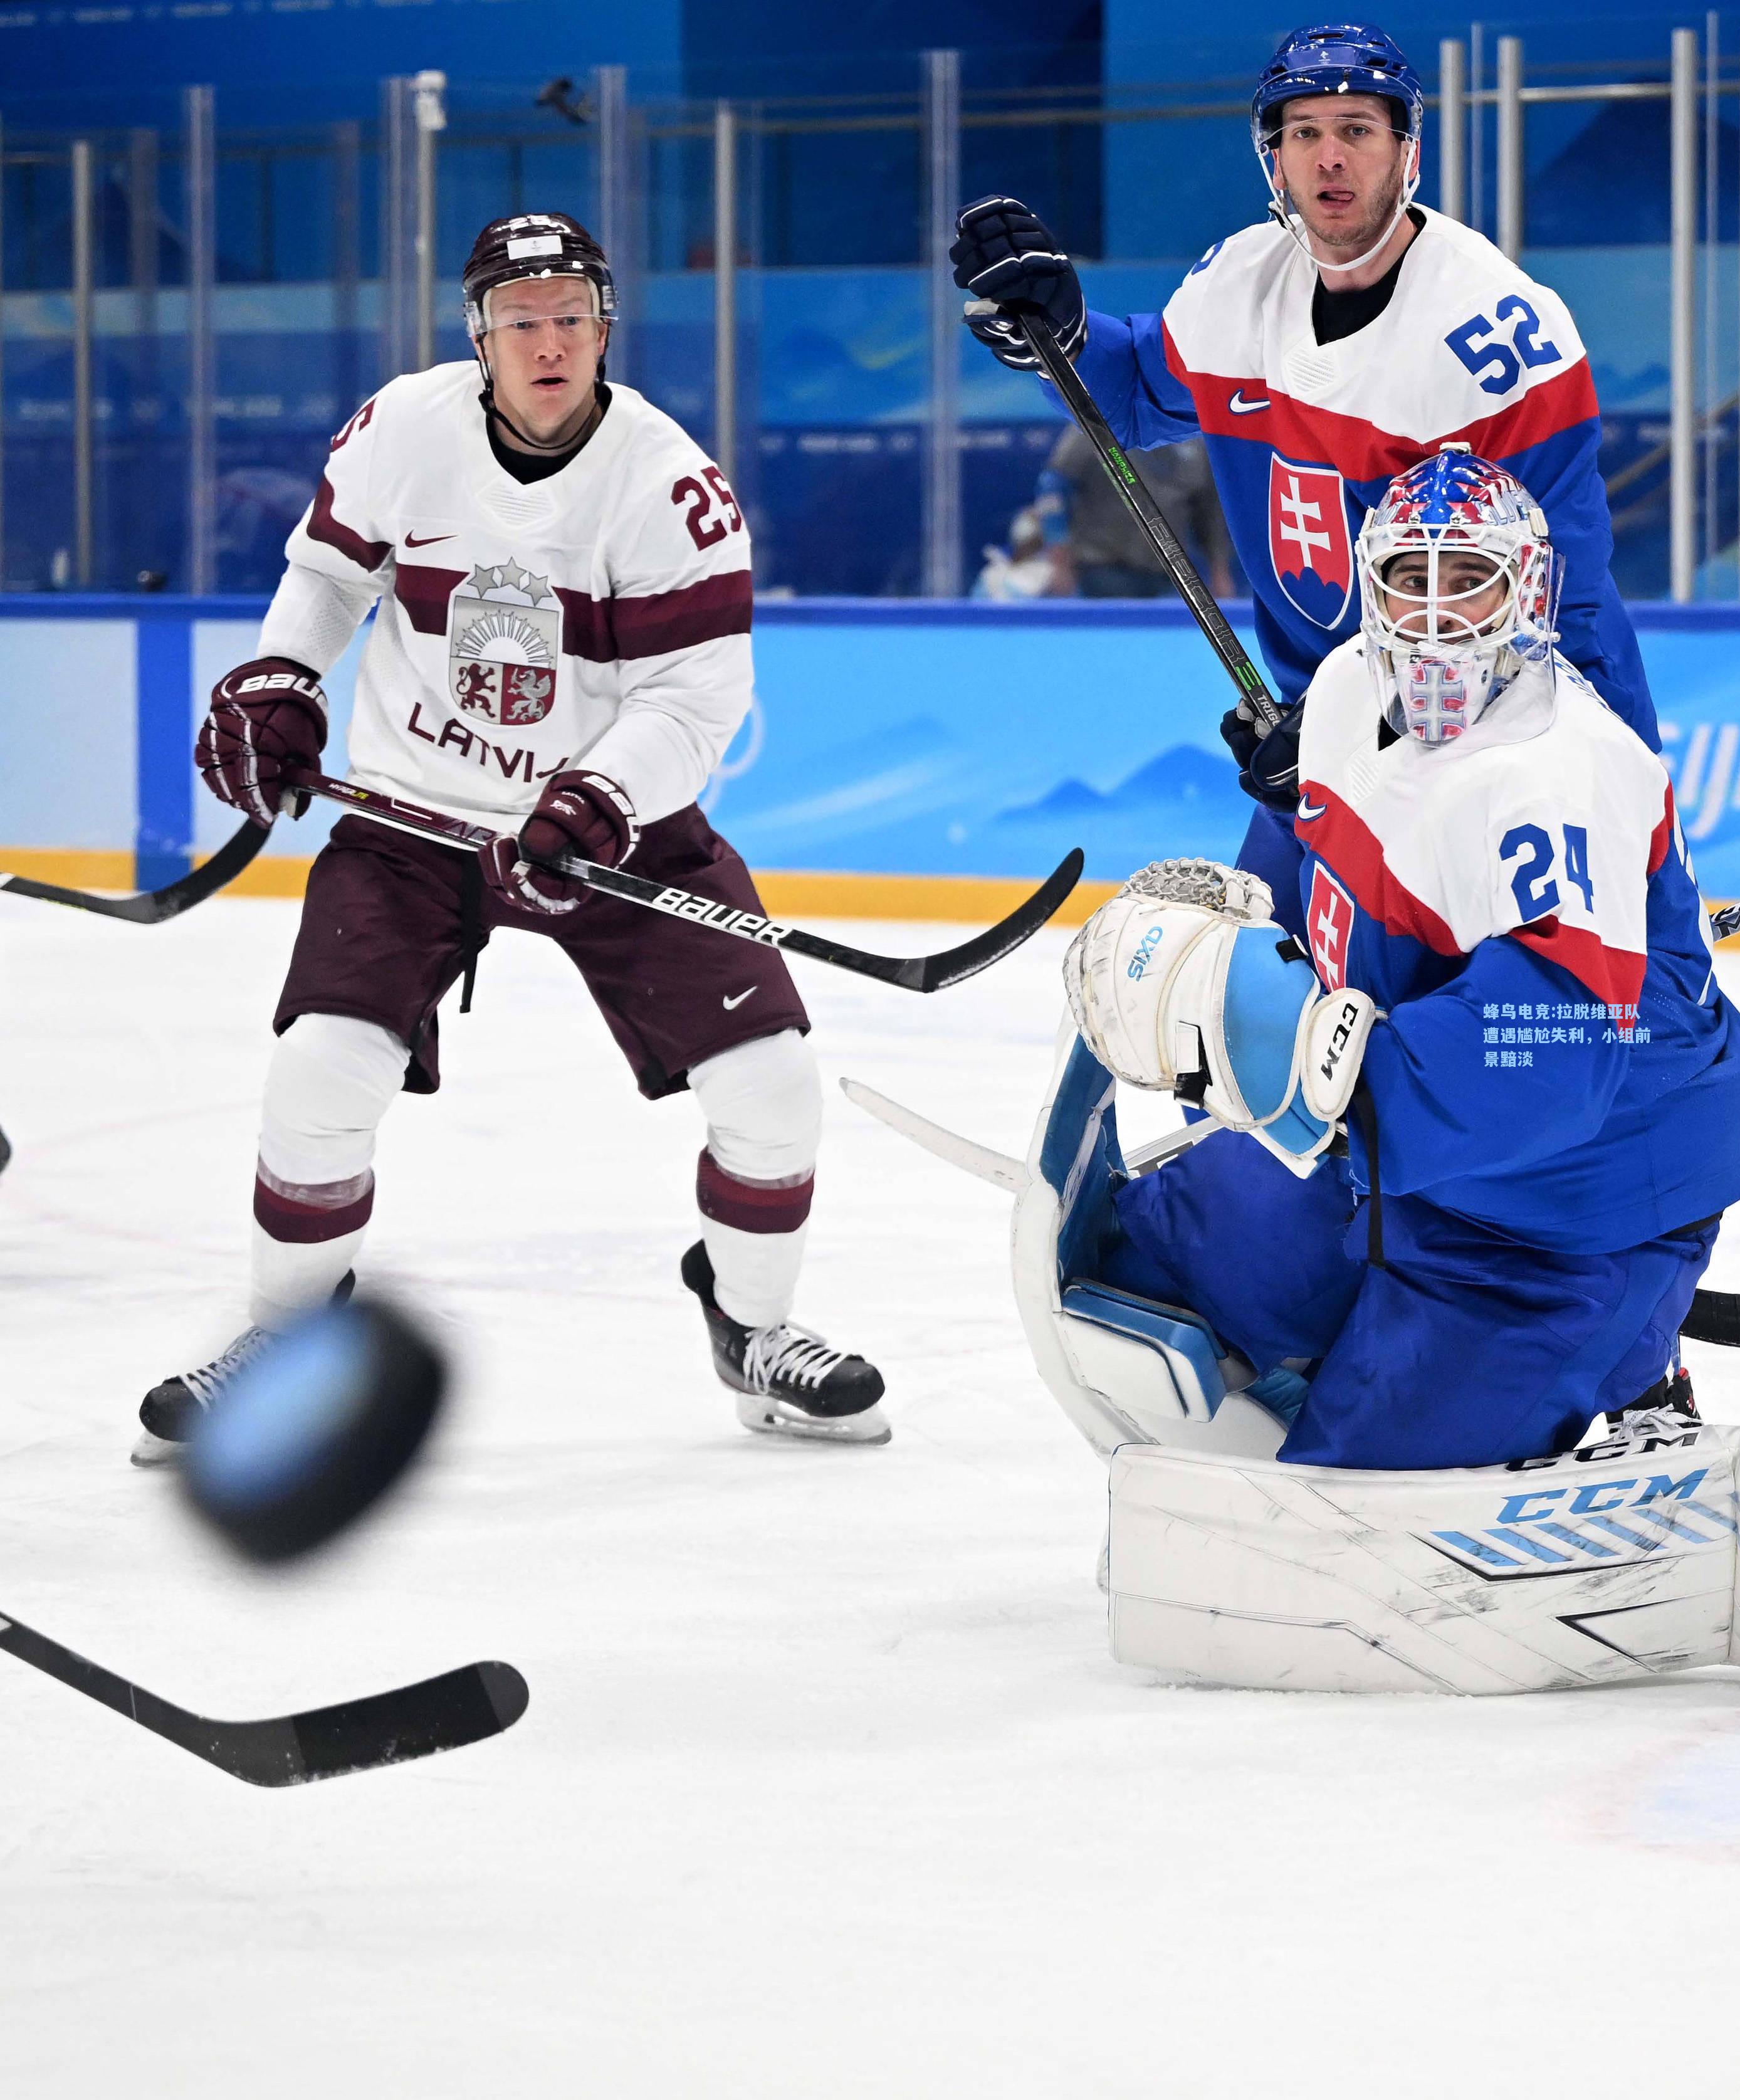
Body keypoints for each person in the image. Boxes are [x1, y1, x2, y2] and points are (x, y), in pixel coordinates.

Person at [139, 211, 889, 1464]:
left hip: (612, 830)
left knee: (770, 1084)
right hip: (412, 820)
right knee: (322, 1069)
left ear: (606, 327)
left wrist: (593, 799)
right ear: (479, 337)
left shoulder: (669, 485)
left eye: (571, 320)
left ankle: (755, 1328)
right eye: (521, 323)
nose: (549, 345)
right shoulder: (405, 429)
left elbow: (695, 700)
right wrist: (282, 676)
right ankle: (286, 1337)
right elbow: (329, 577)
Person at [1058, 448, 1740, 1472]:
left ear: (1529, 590)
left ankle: (1620, 1350)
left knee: (1338, 1533)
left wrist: (1343, 1089)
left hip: (1562, 1210)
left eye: (1468, 576)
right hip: (1390, 1146)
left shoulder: (1559, 770)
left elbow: (1554, 1043)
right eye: (1407, 578)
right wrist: (1237, 958)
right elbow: (1318, 877)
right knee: (1143, 1265)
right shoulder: (1349, 686)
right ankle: (1406, 1334)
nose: (1434, 614)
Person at [947, 20, 1652, 933]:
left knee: (1535, 1041)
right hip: (1321, 750)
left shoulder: (1499, 336)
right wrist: (1060, 333)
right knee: (1237, 1018)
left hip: (1505, 748)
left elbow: (1554, 604)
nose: (1330, 158)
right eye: (1304, 133)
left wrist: (1369, 731)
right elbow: (1131, 395)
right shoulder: (1238, 285)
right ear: (1272, 159)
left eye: (1357, 129)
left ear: (1408, 149)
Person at [1049, 426, 1233, 600]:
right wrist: (1060, 559)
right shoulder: (1095, 421)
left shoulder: (1194, 435)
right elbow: (1053, 489)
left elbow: (1209, 512)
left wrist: (1220, 571)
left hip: (1171, 575)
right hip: (1104, 567)